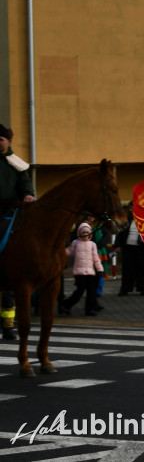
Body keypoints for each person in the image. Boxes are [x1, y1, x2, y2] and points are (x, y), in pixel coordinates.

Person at [0, 123, 35, 340]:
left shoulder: (17, 163)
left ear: (8, 141)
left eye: (0, 139)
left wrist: (29, 195)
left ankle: (8, 326)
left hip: (11, 213)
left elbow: (26, 185)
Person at [60, 223, 104, 316]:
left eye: (87, 233)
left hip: (90, 272)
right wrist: (62, 250)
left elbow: (96, 258)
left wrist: (99, 269)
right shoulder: (75, 243)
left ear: (90, 234)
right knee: (80, 291)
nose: (85, 235)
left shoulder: (92, 245)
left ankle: (89, 309)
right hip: (79, 272)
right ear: (79, 233)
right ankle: (66, 304)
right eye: (83, 233)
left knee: (91, 292)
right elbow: (70, 253)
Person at [115, 206, 144, 296]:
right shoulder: (126, 221)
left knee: (142, 269)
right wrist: (117, 245)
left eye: (134, 209)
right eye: (131, 209)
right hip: (128, 248)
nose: (132, 211)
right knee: (127, 270)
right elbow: (120, 233)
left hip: (142, 249)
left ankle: (142, 288)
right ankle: (125, 288)